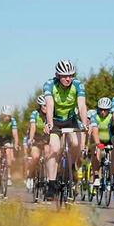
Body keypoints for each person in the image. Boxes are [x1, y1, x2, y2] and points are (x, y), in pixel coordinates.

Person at [43, 60, 88, 201]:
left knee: (76, 144)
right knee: (55, 149)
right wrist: (49, 123)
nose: (68, 78)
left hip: (70, 119)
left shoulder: (78, 85)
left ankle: (72, 166)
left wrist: (85, 122)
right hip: (55, 121)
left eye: (70, 75)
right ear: (57, 75)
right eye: (64, 76)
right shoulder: (49, 85)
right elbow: (49, 105)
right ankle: (51, 184)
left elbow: (81, 105)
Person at [0, 106, 19, 186]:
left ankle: (8, 176)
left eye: (9, 116)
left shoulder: (13, 121)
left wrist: (16, 144)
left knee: (8, 153)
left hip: (7, 139)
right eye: (5, 116)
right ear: (2, 115)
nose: (7, 118)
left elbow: (15, 133)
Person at [27, 95, 50, 188]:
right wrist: (31, 138)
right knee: (35, 157)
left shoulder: (51, 114)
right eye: (44, 106)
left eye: (47, 105)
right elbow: (32, 127)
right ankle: (30, 175)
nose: (46, 108)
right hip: (36, 138)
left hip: (46, 138)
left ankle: (46, 177)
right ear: (40, 106)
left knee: (48, 155)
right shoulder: (35, 114)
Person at [90, 97, 113, 188]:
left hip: (109, 139)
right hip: (97, 139)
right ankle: (96, 176)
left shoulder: (111, 115)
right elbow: (94, 130)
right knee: (96, 153)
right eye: (101, 109)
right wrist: (98, 143)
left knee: (112, 157)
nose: (103, 112)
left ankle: (109, 179)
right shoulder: (94, 115)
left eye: (105, 110)